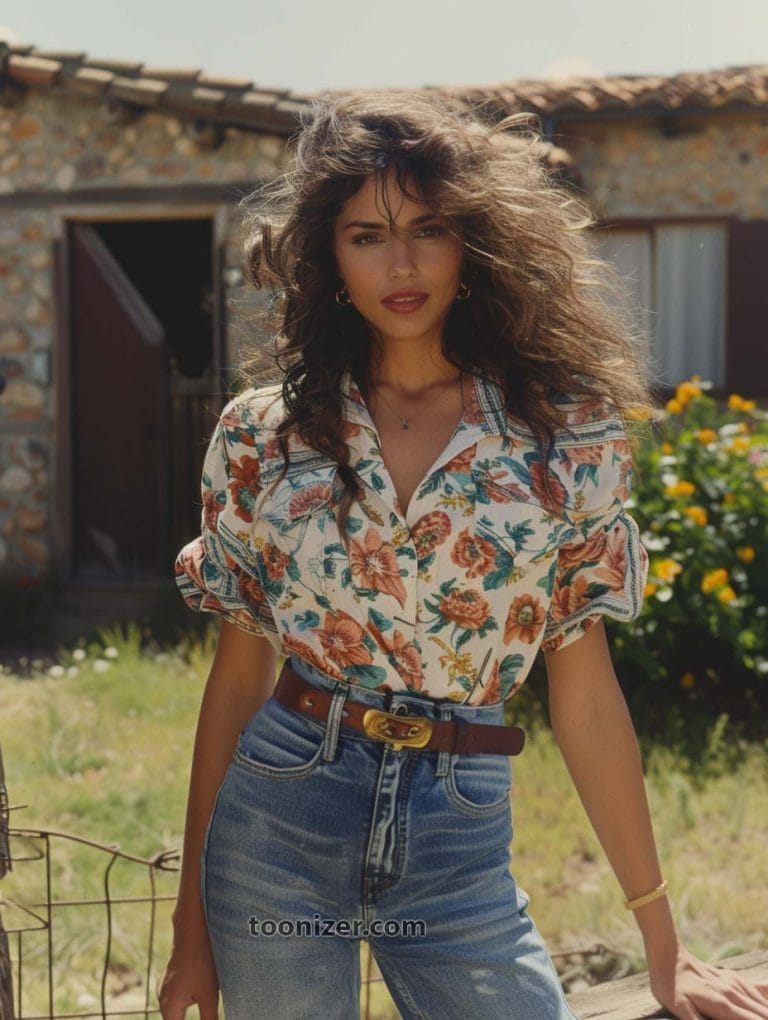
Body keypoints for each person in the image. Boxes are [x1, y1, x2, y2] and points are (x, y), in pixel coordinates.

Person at [158, 92, 768, 1020]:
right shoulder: (263, 439)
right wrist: (188, 939)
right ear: (330, 258)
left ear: (473, 244)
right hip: (282, 816)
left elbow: (588, 693)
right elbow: (237, 684)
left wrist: (666, 944)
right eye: (367, 235)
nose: (400, 264)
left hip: (458, 827)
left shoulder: (564, 437)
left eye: (428, 229)